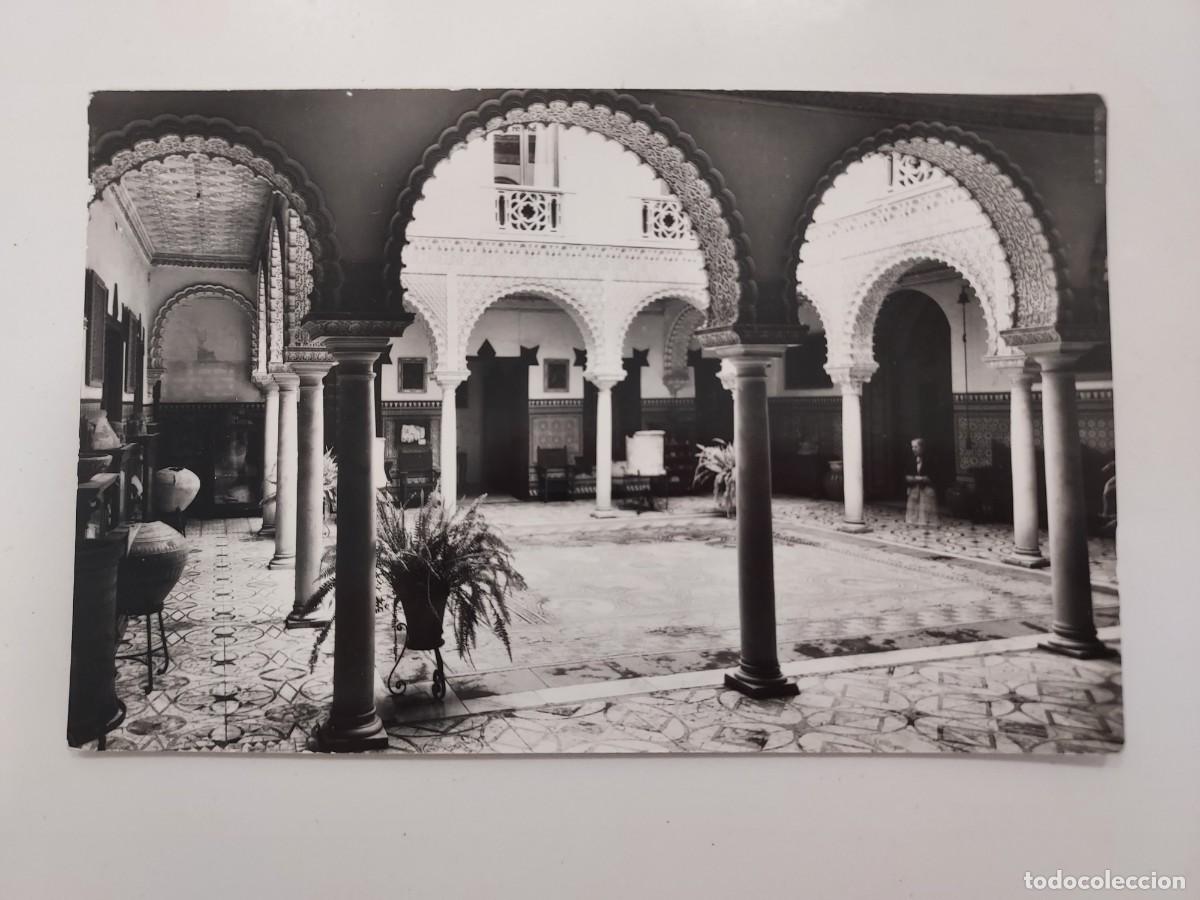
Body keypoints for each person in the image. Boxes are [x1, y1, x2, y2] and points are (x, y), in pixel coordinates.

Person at [905, 437, 940, 527]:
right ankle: (913, 521)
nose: (913, 449)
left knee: (927, 498)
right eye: (912, 447)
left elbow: (934, 476)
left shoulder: (930, 459)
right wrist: (911, 480)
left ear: (922, 447)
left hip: (927, 487)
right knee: (913, 498)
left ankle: (926, 522)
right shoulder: (911, 460)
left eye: (916, 447)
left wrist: (921, 479)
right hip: (915, 487)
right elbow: (907, 475)